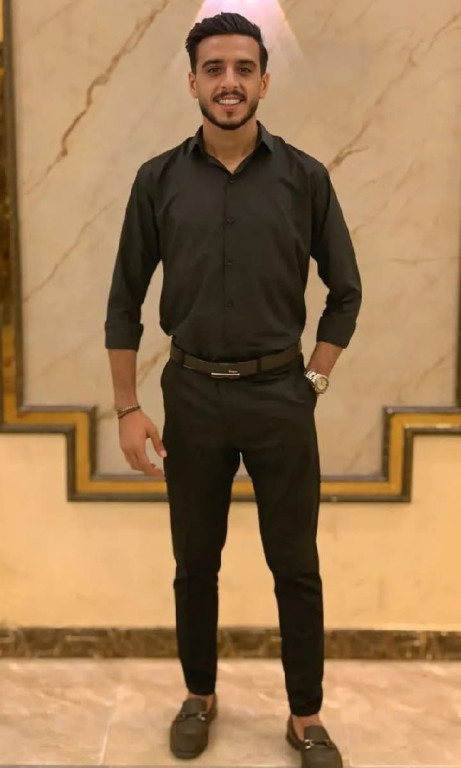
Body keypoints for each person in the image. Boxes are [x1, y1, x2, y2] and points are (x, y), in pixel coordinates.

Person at [104, 11, 361, 768]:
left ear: (264, 82)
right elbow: (123, 302)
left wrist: (312, 380)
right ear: (192, 82)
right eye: (214, 68)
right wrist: (128, 408)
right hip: (190, 396)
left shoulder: (305, 178)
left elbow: (345, 292)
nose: (229, 82)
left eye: (243, 68)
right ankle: (199, 695)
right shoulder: (156, 180)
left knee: (295, 564)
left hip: (281, 395)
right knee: (195, 562)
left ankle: (305, 715)